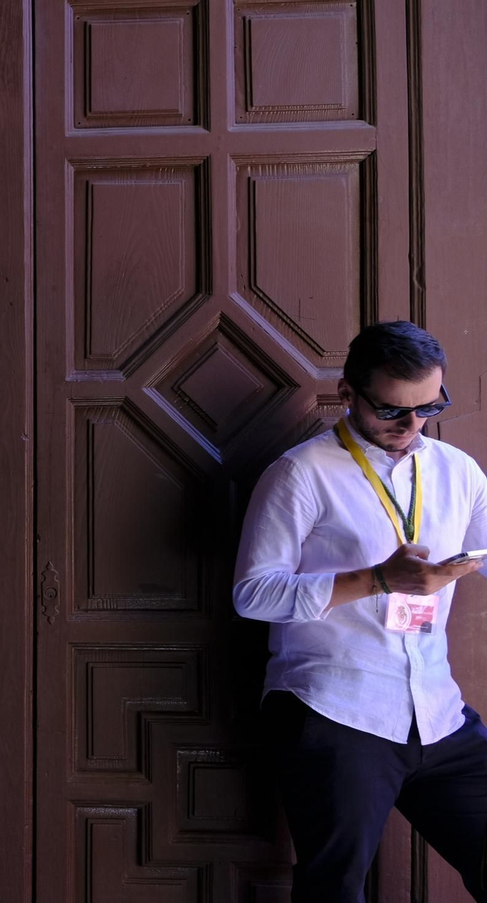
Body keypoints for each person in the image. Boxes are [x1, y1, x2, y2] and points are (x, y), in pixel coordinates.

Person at [234, 321, 486, 901]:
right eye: (392, 411)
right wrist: (377, 579)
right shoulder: (300, 473)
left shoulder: (457, 471)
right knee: (334, 890)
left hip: (439, 715)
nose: (410, 426)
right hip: (335, 711)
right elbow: (253, 594)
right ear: (348, 394)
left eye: (428, 408)